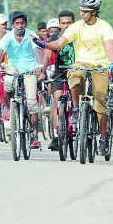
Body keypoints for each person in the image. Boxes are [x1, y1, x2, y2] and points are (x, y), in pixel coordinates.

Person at [34, 0, 113, 156]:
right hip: (81, 63)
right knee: (74, 76)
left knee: (100, 99)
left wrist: (112, 62)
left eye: (85, 12)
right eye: (80, 11)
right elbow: (59, 44)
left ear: (94, 12)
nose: (81, 14)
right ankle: (77, 109)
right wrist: (44, 44)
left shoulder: (104, 26)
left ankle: (103, 137)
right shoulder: (77, 26)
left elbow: (109, 46)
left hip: (100, 65)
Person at [0, 11, 44, 149]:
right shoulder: (8, 37)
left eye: (22, 23)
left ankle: (34, 136)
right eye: (17, 23)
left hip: (30, 69)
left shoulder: (31, 35)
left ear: (26, 24)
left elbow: (38, 50)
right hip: (13, 68)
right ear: (13, 25)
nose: (20, 26)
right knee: (6, 84)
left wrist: (39, 66)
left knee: (31, 103)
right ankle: (9, 107)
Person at [43, 15, 76, 151]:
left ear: (74, 23)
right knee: (57, 100)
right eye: (63, 23)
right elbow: (46, 56)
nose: (66, 25)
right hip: (59, 73)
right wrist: (42, 69)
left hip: (77, 72)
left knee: (78, 101)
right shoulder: (53, 39)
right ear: (60, 24)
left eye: (69, 22)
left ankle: (80, 124)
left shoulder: (79, 37)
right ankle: (57, 135)